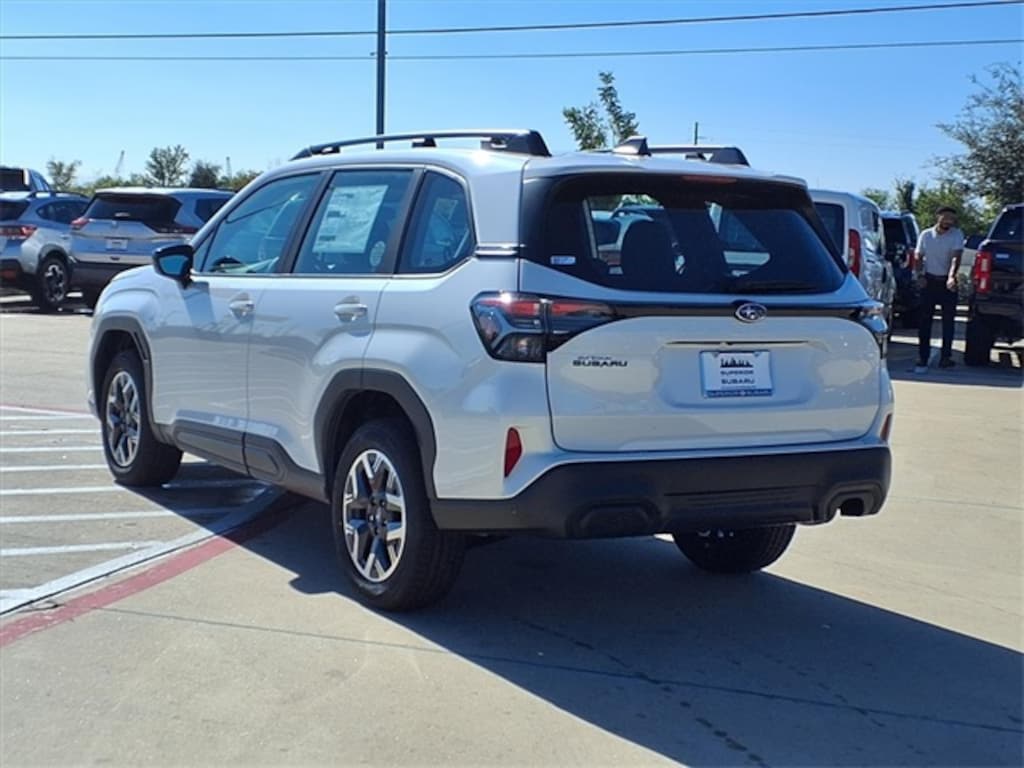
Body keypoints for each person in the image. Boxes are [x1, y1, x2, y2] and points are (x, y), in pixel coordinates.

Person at [914, 207, 964, 373]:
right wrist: (920, 275)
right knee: (924, 320)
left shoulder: (956, 234)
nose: (949, 221)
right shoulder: (926, 235)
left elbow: (956, 257)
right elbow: (918, 257)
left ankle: (945, 357)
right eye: (946, 217)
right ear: (938, 217)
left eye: (952, 218)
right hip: (929, 281)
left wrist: (951, 277)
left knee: (948, 321)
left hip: (947, 283)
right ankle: (922, 356)